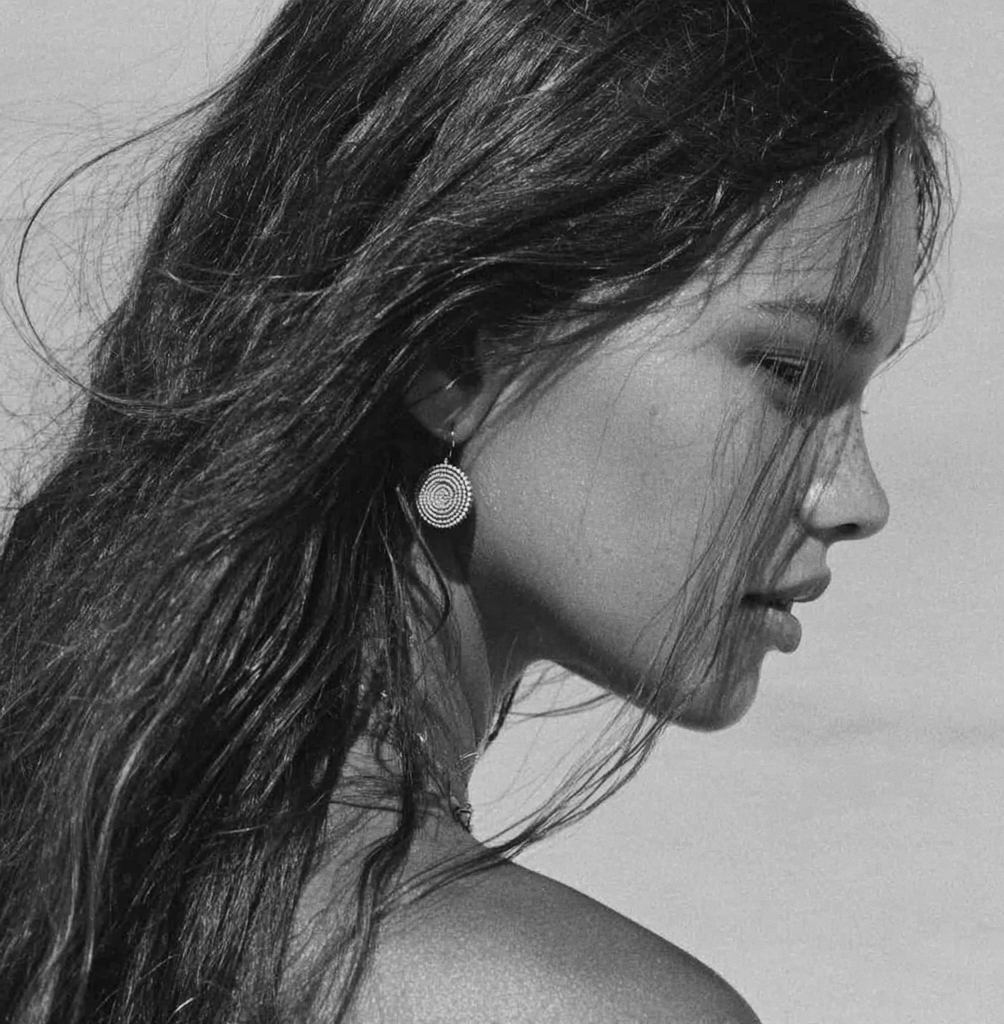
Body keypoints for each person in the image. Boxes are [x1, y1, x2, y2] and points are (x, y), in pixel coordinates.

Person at [0, 0, 947, 1021]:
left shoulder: (79, 853)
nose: (857, 499)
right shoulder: (562, 1003)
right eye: (788, 370)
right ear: (457, 350)